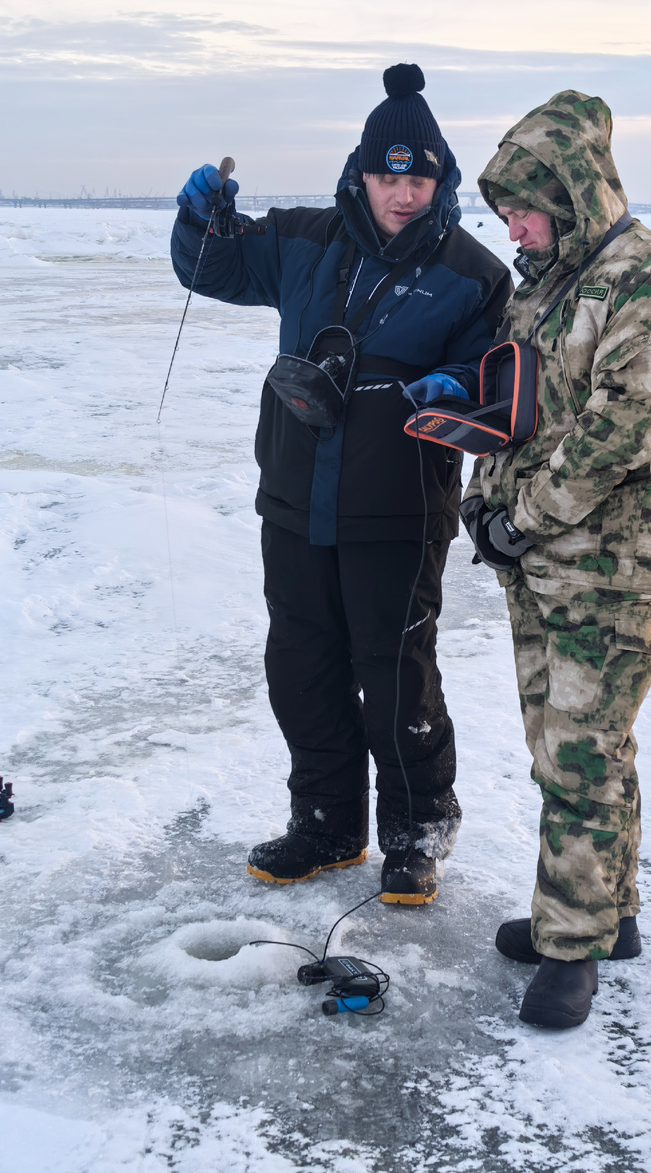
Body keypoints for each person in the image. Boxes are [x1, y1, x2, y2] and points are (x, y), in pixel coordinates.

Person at [171, 64, 512, 904]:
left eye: (419, 177)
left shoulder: (474, 273)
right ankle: (326, 826)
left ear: (442, 182)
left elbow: (496, 375)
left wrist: (458, 385)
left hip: (396, 510)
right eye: (388, 174)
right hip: (294, 501)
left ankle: (413, 834)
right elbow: (210, 268)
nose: (402, 193)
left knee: (396, 674)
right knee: (302, 665)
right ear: (359, 174)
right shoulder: (301, 239)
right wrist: (196, 218)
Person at [460, 91, 651, 1026]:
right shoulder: (548, 282)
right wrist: (485, 498)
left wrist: (521, 517)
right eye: (503, 213)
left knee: (578, 756)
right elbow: (523, 409)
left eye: (523, 207)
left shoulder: (649, 284)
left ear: (572, 191)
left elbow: (614, 436)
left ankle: (571, 945)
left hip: (616, 566)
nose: (513, 226)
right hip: (545, 560)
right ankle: (611, 914)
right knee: (571, 748)